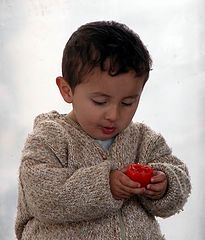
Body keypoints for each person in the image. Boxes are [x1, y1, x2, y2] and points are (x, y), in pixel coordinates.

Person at [15, 21, 191, 240]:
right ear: (67, 90)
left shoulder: (144, 141)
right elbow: (41, 196)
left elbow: (180, 180)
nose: (114, 115)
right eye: (100, 101)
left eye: (128, 103)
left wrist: (165, 183)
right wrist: (104, 185)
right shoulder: (49, 138)